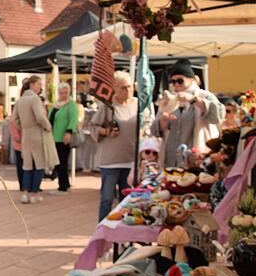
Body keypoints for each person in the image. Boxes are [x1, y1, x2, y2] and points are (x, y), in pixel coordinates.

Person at [90, 71, 145, 221]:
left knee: (126, 199)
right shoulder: (108, 106)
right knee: (107, 199)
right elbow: (92, 126)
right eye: (123, 88)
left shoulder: (138, 104)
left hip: (131, 159)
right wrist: (105, 131)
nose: (128, 91)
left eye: (130, 87)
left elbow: (146, 125)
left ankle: (122, 234)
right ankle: (102, 230)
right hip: (111, 161)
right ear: (114, 89)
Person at [152, 59, 224, 168]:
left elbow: (217, 117)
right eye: (173, 81)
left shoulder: (204, 96)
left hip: (195, 157)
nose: (176, 84)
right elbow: (156, 131)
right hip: (172, 158)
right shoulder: (169, 99)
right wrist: (163, 120)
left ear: (191, 80)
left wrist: (194, 100)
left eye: (180, 80)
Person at [13, 75, 58, 204]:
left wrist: (23, 127)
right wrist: (48, 126)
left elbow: (14, 119)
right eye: (39, 83)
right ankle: (34, 193)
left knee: (27, 165)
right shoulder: (35, 99)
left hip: (26, 135)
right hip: (37, 134)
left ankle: (25, 193)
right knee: (39, 164)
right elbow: (40, 117)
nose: (40, 86)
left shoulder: (20, 100)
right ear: (32, 84)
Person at [48, 83, 79, 195]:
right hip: (54, 137)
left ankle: (63, 186)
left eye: (66, 93)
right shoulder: (56, 105)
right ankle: (64, 184)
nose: (64, 95)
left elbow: (73, 119)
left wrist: (69, 132)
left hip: (64, 137)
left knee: (62, 162)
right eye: (61, 93)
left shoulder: (71, 104)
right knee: (58, 162)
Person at [9, 81, 30, 190]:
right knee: (21, 164)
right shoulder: (19, 103)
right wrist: (18, 137)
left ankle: (30, 186)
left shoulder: (33, 102)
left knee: (29, 164)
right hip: (20, 142)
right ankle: (23, 185)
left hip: (29, 140)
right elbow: (12, 122)